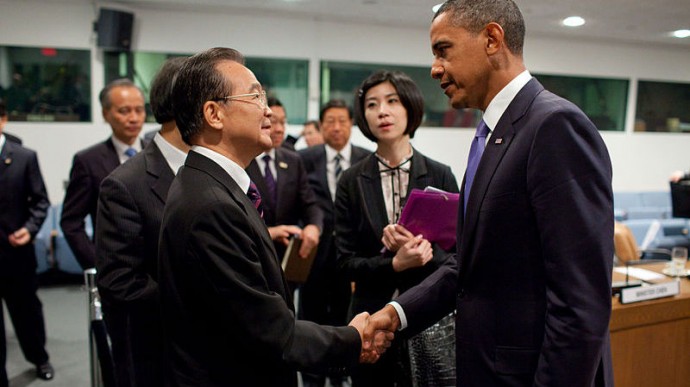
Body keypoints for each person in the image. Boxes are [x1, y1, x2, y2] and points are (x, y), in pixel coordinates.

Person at [365, 1, 615, 386]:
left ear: (492, 39)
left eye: (443, 50)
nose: (434, 69)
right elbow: (468, 266)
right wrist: (396, 313)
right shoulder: (493, 135)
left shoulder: (553, 126)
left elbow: (580, 305)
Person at [158, 47, 390, 387]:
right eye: (254, 97)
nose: (268, 111)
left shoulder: (211, 184)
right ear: (214, 113)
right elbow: (270, 331)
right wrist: (355, 339)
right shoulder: (210, 205)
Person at [335, 70, 459, 386]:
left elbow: (459, 257)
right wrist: (394, 263)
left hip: (427, 319)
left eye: (392, 101)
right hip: (370, 321)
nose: (382, 112)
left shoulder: (439, 174)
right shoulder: (351, 181)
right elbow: (344, 263)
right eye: (372, 105)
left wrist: (427, 256)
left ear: (410, 108)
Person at [95, 57, 189, 387]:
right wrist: (194, 300)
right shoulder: (125, 184)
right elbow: (121, 280)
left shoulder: (212, 170)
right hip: (156, 349)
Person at [298, 99, 370, 387]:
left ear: (351, 124)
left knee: (345, 319)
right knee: (311, 320)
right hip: (314, 257)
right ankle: (312, 379)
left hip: (349, 259)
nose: (336, 127)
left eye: (342, 120)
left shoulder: (366, 159)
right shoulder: (303, 159)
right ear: (321, 125)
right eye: (330, 121)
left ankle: (341, 376)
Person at [61, 79, 147, 270]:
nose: (133, 118)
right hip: (114, 267)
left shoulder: (156, 153)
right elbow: (71, 221)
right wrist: (95, 264)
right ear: (105, 114)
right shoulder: (88, 161)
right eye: (124, 111)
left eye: (139, 110)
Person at [0, 99, 54, 385]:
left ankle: (39, 359)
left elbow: (41, 201)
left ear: (4, 119)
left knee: (27, 314)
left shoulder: (23, 157)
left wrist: (29, 228)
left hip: (16, 253)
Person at [246, 97, 322, 262]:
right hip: (252, 257)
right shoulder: (242, 161)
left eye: (283, 122)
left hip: (287, 259)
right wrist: (269, 232)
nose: (279, 129)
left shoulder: (293, 160)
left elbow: (310, 204)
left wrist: (314, 227)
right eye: (273, 122)